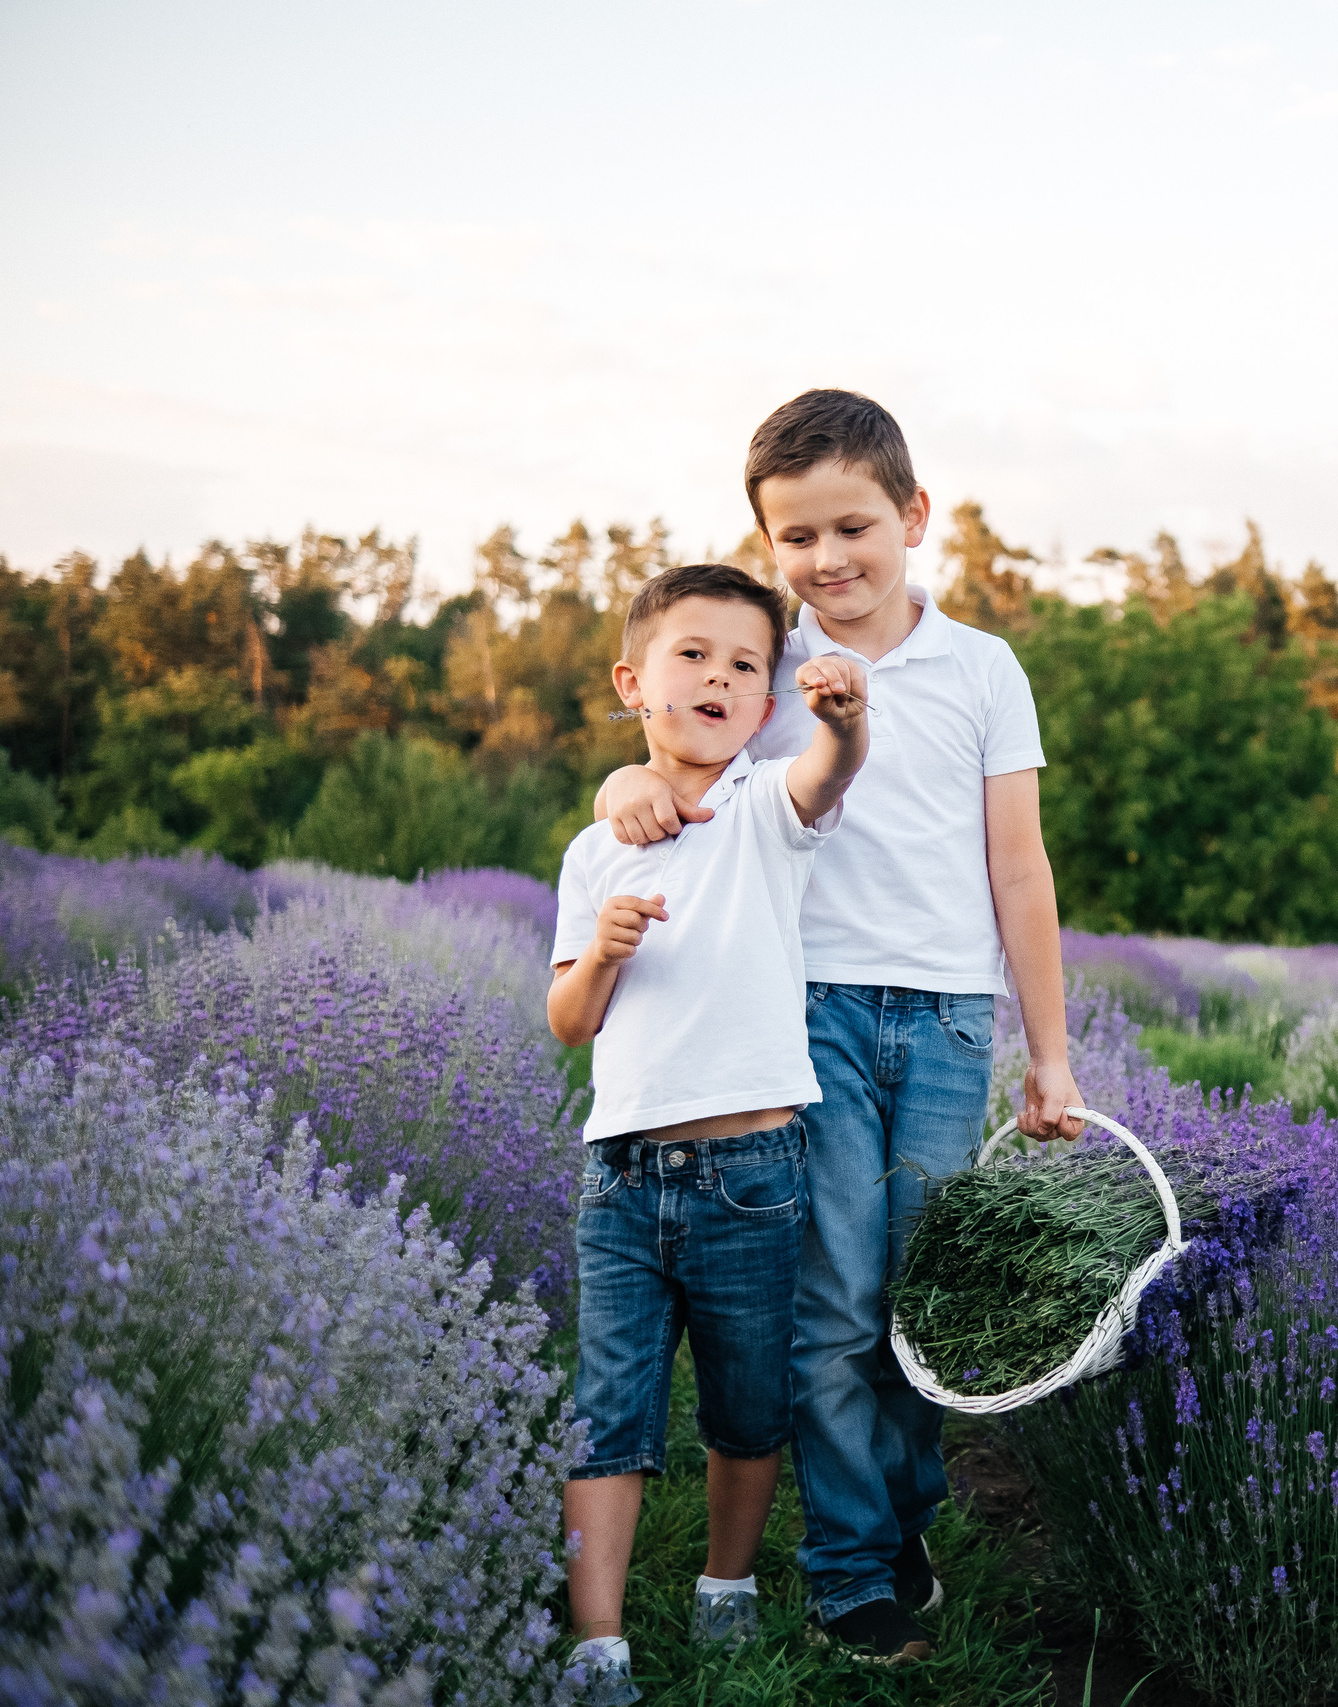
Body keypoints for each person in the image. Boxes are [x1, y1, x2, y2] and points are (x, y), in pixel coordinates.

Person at [596, 388, 1085, 1665]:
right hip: (800, 1010)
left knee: (915, 1300)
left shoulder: (982, 668)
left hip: (947, 1019)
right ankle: (848, 1570)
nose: (827, 559)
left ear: (913, 516)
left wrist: (1049, 1056)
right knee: (832, 1302)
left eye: (852, 527)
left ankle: (903, 1513)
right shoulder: (762, 668)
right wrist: (625, 779)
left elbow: (1019, 867)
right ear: (768, 546)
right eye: (797, 537)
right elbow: (672, 748)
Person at [550, 561, 869, 1700]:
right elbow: (570, 1019)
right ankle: (598, 1641)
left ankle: (725, 1587)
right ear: (633, 682)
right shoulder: (596, 850)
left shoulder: (765, 807)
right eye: (693, 655)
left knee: (746, 1405)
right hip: (624, 1174)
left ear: (766, 700)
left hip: (752, 1169)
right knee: (609, 1410)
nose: (720, 679)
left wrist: (845, 720)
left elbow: (831, 772)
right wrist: (602, 950)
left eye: (745, 666)